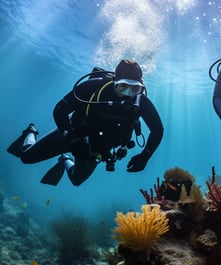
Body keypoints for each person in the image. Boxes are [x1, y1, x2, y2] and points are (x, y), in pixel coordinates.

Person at [7, 60, 164, 186]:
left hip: (96, 149)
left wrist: (145, 156)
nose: (128, 95)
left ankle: (64, 160)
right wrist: (71, 139)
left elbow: (157, 129)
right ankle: (31, 132)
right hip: (72, 132)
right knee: (26, 158)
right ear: (115, 81)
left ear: (141, 88)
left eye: (135, 89)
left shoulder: (141, 102)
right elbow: (60, 110)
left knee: (76, 180)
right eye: (123, 87)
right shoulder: (92, 87)